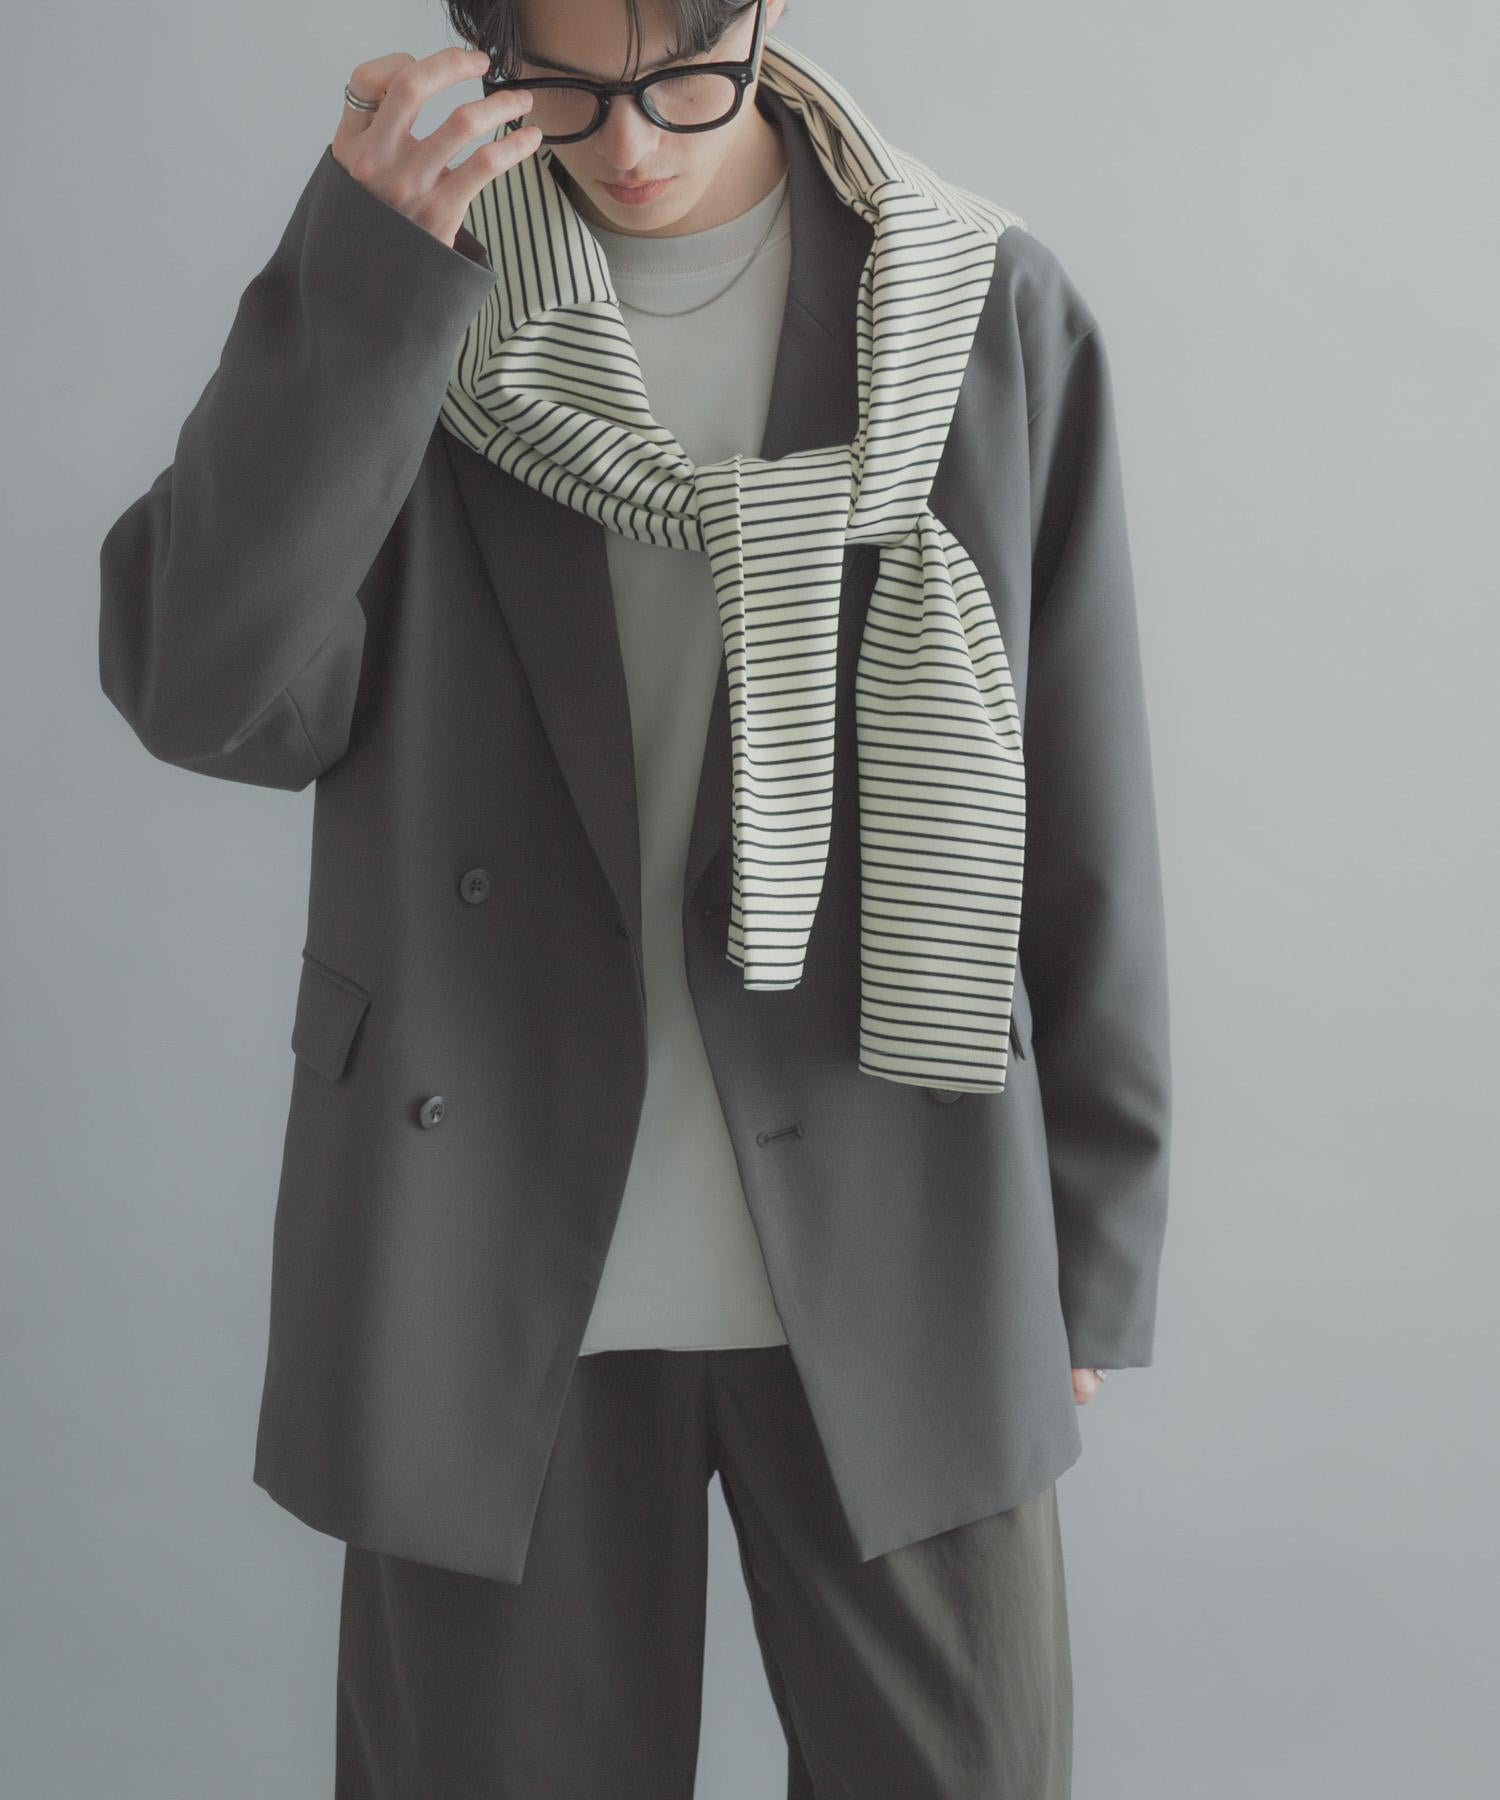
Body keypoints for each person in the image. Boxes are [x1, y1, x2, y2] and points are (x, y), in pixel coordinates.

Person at [97, 1, 1171, 1793]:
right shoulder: (423, 294)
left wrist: (1087, 1241)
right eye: (567, 85)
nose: (631, 144)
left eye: (685, 74)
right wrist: (360, 275)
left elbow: (1081, 795)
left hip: (902, 1221)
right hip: (488, 1248)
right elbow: (202, 690)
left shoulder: (974, 305)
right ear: (483, 43)